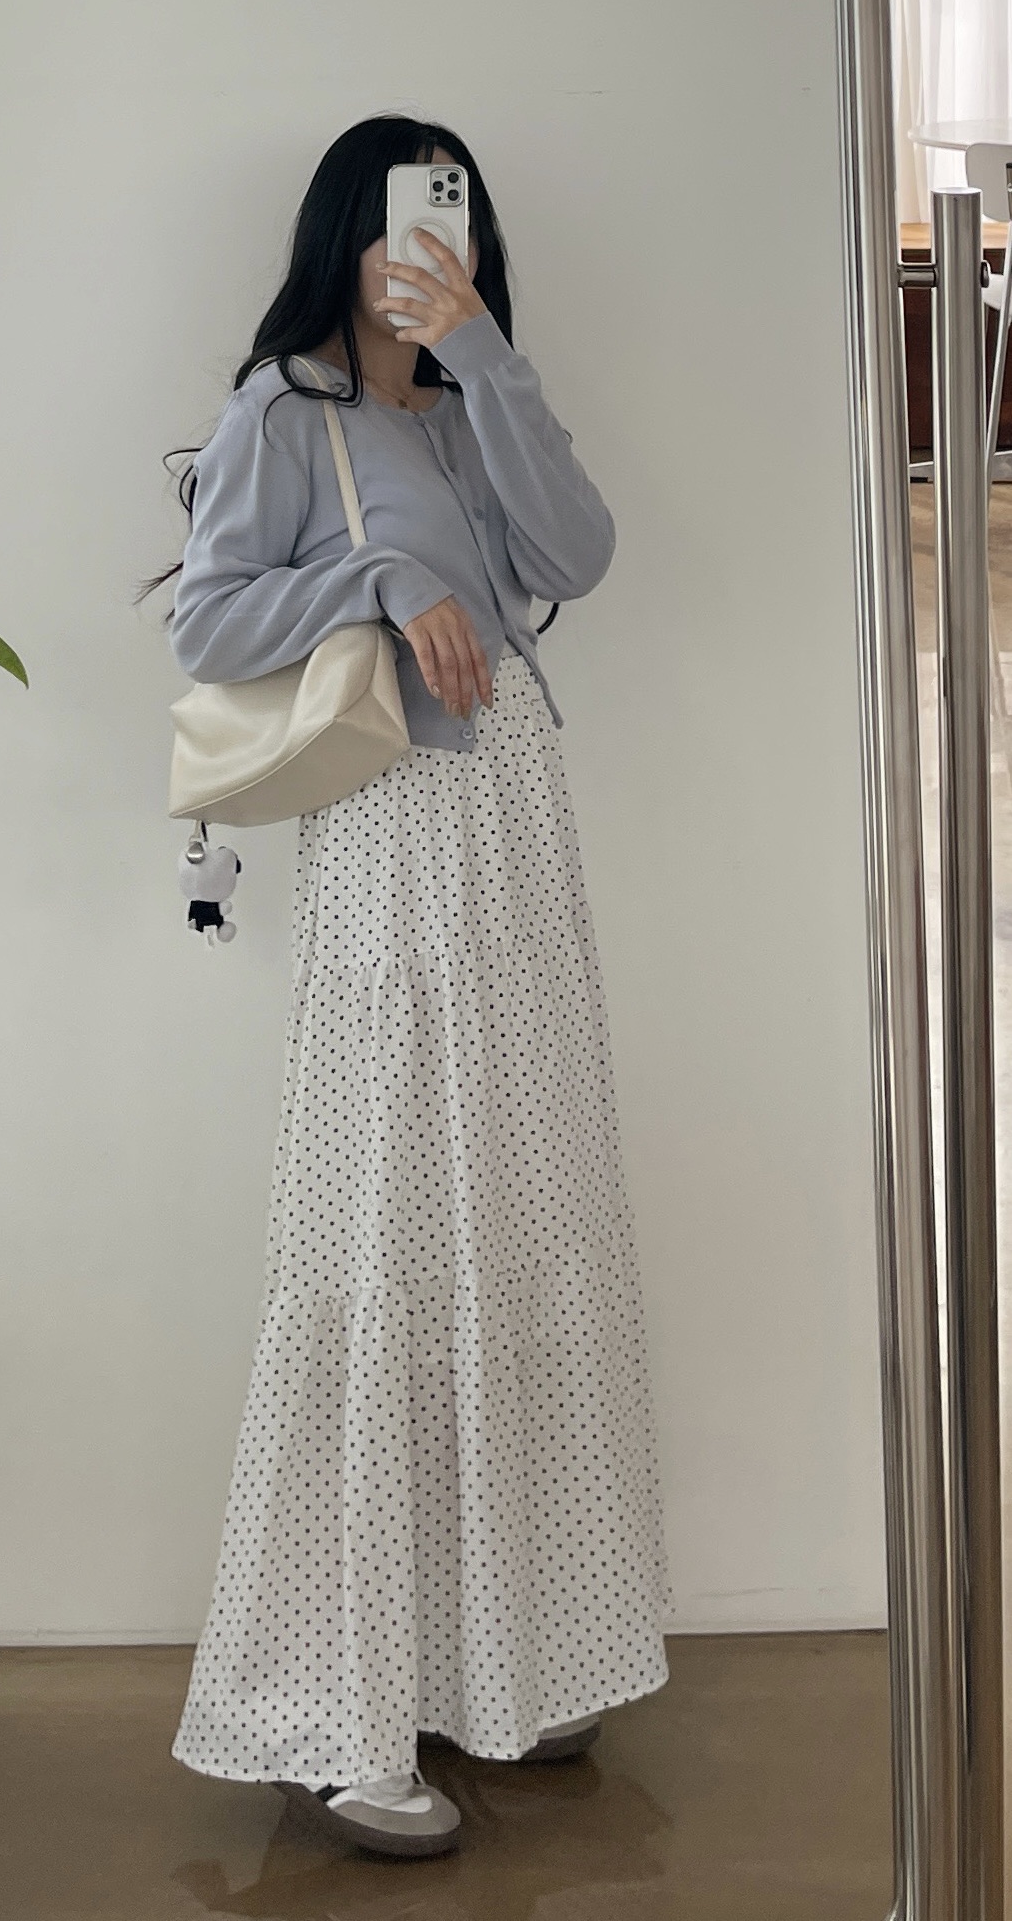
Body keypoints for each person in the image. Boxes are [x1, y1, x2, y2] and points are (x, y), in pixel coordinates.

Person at [160, 114, 669, 1860]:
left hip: (516, 827)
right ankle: (333, 1701)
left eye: (451, 216)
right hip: (390, 842)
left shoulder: (470, 401)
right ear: (344, 232)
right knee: (382, 1230)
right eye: (402, 215)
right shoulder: (279, 412)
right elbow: (207, 621)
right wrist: (375, 578)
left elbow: (575, 556)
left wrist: (486, 356)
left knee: (515, 1220)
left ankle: (506, 1655)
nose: (426, 242)